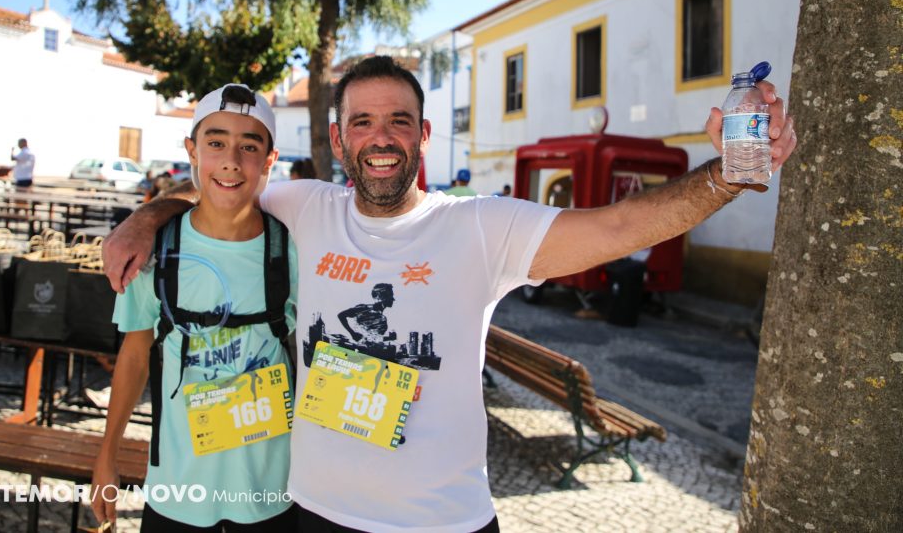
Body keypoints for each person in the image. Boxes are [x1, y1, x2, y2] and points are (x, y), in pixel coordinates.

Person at [103, 56, 796, 533]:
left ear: (424, 135)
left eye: (399, 121)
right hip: (312, 515)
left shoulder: (480, 228)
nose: (381, 138)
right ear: (339, 139)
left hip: (439, 523)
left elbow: (618, 226)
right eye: (363, 123)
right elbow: (223, 183)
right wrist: (144, 217)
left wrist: (728, 175)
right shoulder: (304, 207)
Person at [92, 84, 299, 532]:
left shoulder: (291, 251)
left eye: (249, 147)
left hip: (270, 490)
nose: (231, 161)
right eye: (216, 143)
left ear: (270, 160)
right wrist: (107, 455)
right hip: (177, 489)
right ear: (192, 151)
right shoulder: (153, 252)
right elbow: (134, 354)